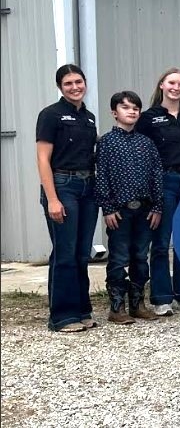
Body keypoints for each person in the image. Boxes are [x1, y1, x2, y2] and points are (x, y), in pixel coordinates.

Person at [36, 64, 100, 332]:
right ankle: (62, 316)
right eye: (68, 83)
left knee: (81, 254)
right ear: (60, 87)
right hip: (63, 186)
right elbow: (42, 159)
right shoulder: (50, 115)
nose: (75, 87)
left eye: (79, 82)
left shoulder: (89, 117)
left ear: (85, 83)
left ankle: (82, 310)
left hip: (88, 188)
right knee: (65, 253)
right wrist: (52, 199)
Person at [136, 68, 180, 315]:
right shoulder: (149, 118)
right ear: (162, 85)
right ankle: (161, 297)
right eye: (172, 83)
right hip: (163, 180)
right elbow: (140, 151)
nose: (176, 88)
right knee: (162, 242)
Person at [95, 91, 163, 324]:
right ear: (115, 112)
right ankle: (117, 306)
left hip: (145, 210)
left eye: (135, 107)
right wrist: (108, 207)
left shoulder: (147, 143)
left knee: (140, 257)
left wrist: (157, 206)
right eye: (125, 107)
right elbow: (101, 175)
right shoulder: (105, 143)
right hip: (119, 211)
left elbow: (156, 176)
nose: (131, 111)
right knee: (118, 257)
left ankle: (138, 303)